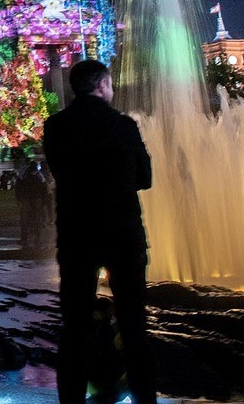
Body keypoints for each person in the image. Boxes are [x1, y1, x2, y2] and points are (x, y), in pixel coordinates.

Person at [43, 59, 156, 404]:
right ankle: (144, 398)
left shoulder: (56, 126)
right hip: (122, 232)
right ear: (103, 85)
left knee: (74, 327)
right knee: (133, 324)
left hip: (77, 233)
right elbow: (145, 178)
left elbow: (59, 173)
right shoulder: (124, 125)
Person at [15, 161, 51, 257]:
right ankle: (27, 238)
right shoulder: (36, 176)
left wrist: (43, 201)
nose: (33, 173)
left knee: (35, 219)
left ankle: (36, 238)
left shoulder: (36, 176)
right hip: (28, 199)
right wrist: (19, 199)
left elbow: (44, 190)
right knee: (26, 219)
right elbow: (18, 188)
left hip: (35, 200)